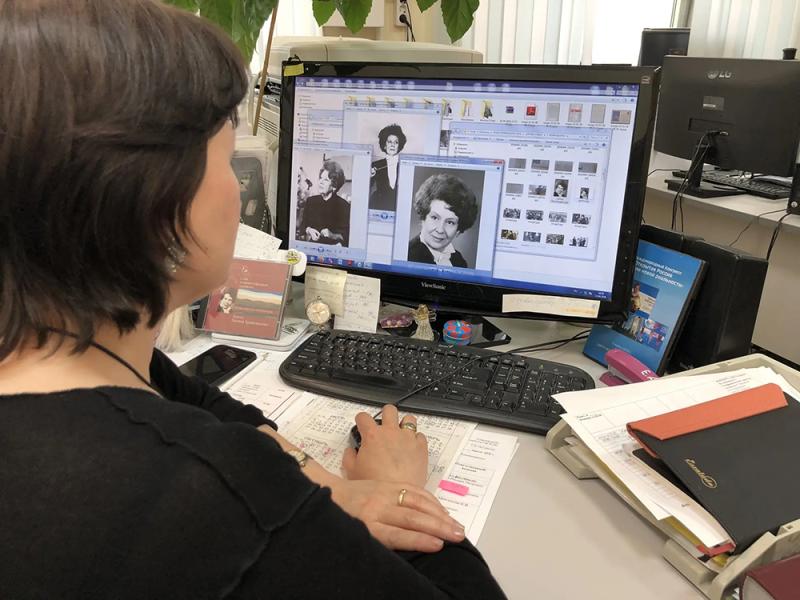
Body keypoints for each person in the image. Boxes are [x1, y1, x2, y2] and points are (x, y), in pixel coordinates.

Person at [0, 2, 506, 598]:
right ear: (156, 201)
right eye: (225, 157)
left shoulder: (74, 350)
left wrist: (328, 485)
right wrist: (403, 493)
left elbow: (198, 399)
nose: (239, 191)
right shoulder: (215, 495)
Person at [407, 173, 479, 268]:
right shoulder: (408, 255)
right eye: (435, 218)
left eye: (450, 222)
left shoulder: (458, 261)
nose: (440, 230)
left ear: (458, 230)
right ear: (423, 218)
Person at [300, 160, 351, 246]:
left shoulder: (344, 206)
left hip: (332, 249)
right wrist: (309, 230)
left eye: (326, 180)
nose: (320, 182)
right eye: (320, 178)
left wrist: (332, 235)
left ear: (334, 185)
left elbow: (346, 236)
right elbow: (303, 226)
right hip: (312, 247)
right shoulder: (311, 201)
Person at [369, 124, 406, 211]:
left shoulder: (405, 165)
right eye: (389, 142)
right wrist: (369, 176)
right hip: (379, 205)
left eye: (396, 142)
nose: (392, 145)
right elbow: (366, 187)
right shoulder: (376, 165)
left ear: (399, 146)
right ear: (384, 145)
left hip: (398, 206)